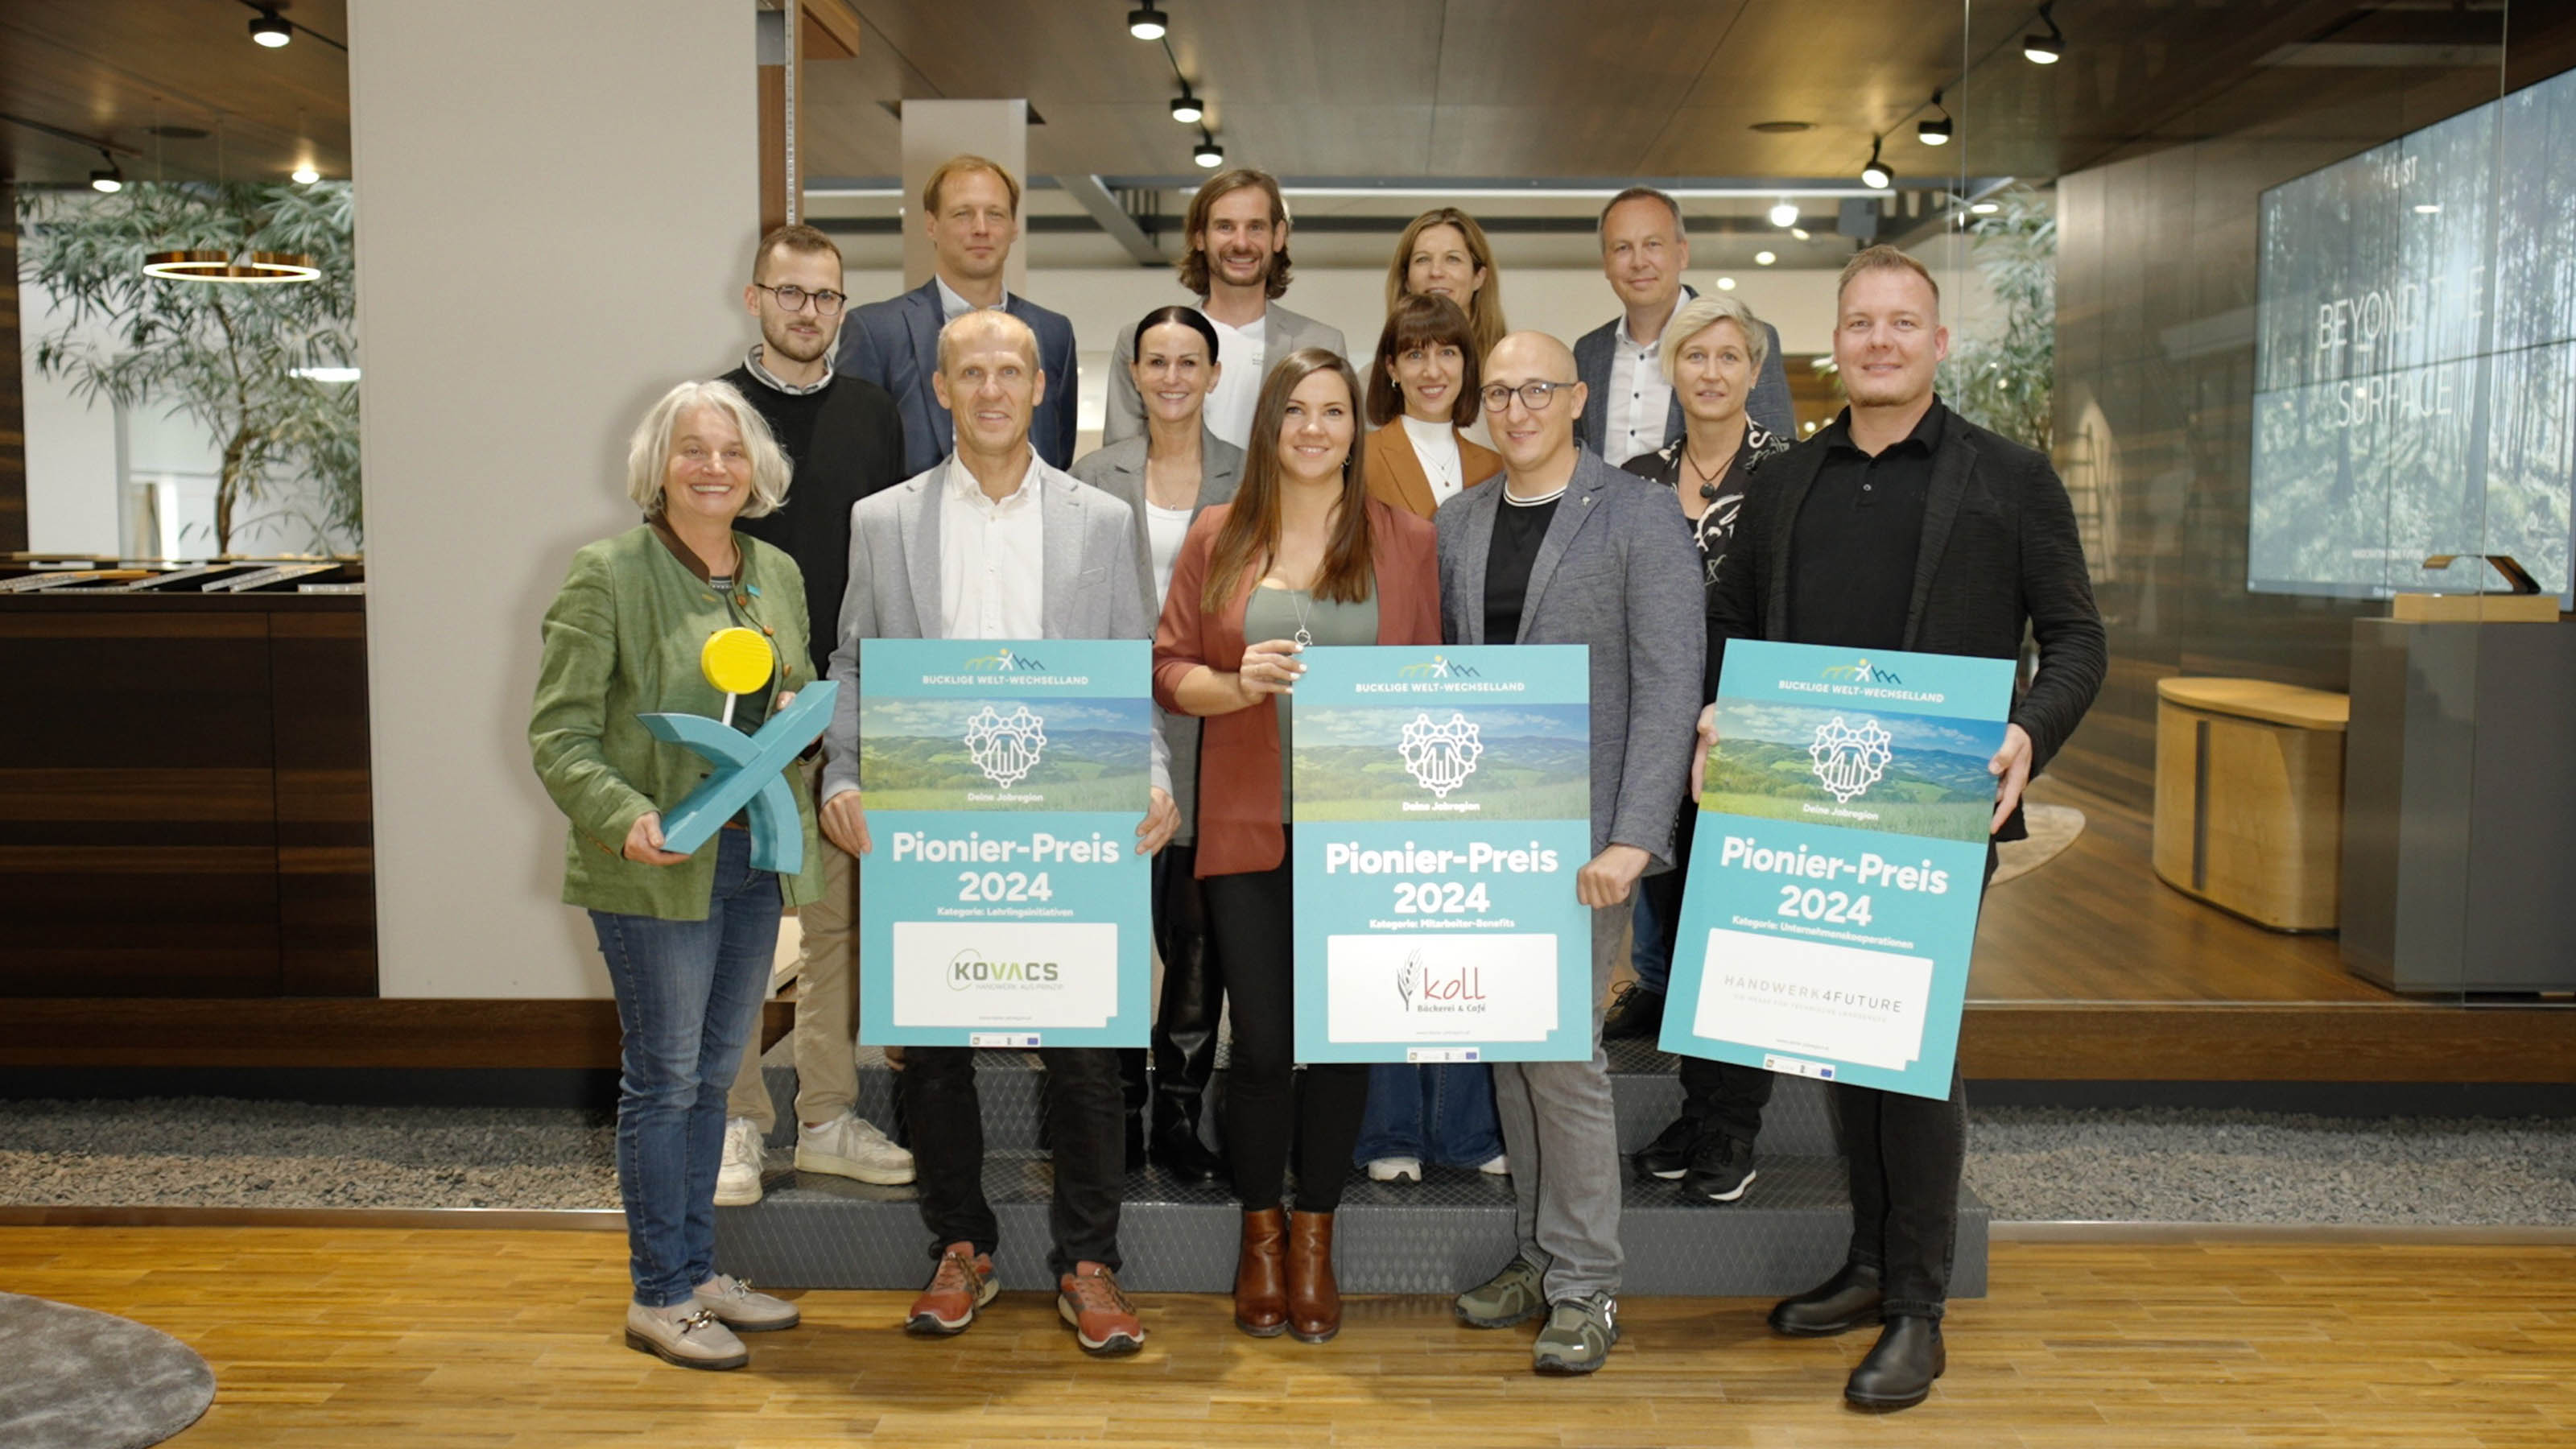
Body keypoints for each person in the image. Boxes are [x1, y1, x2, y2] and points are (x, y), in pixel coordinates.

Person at [1698, 245, 2104, 1410]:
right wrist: (1719, 708)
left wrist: (2029, 732)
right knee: (1841, 1040)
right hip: (1802, 798)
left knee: (1909, 1047)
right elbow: (1728, 623)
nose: (1879, 340)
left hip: (1934, 800)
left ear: (1937, 342)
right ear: (1836, 343)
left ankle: (1918, 1309)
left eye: (1901, 322)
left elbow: (2077, 639)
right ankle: (1872, 1263)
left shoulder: (2009, 478)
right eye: (1860, 322)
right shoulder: (1785, 482)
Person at [819, 310, 1181, 1358]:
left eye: (1009, 372)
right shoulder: (882, 521)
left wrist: (1154, 774)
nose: (990, 389)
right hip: (930, 811)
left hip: (1066, 813)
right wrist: (844, 772)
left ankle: (1088, 1262)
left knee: (1085, 1047)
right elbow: (853, 661)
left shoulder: (1098, 520)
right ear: (940, 389)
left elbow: (1129, 662)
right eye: (969, 372)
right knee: (934, 1046)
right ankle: (960, 1246)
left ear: (1040, 387)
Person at [1153, 348, 1441, 1345]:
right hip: (1248, 823)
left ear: (1355, 428)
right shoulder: (1217, 534)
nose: (1314, 429)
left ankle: (1316, 1236)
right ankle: (1260, 1238)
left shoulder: (1405, 539)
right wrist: (1236, 685)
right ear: (1269, 425)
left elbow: (1428, 679)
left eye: (1333, 411)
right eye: (1295, 411)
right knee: (1266, 1048)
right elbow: (1168, 666)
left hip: (1364, 832)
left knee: (1345, 1044)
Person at [530, 379, 816, 1370]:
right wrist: (626, 818)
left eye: (731, 452)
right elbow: (559, 735)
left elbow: (790, 701)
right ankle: (658, 1293)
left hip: (751, 860)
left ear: (756, 470)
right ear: (658, 466)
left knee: (712, 1078)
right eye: (693, 449)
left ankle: (696, 1273)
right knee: (665, 1079)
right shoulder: (606, 573)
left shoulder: (775, 572)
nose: (713, 467)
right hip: (657, 868)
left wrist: (801, 722)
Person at [1439, 333, 1703, 1376]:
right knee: (1512, 1047)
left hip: (1590, 838)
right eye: (1499, 392)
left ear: (1578, 397)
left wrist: (1635, 837)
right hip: (1488, 833)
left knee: (1564, 1057)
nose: (1517, 407)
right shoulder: (1458, 521)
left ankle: (1587, 1284)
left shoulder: (1639, 514)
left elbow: (1671, 682)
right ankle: (1539, 1254)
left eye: (1537, 388)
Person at [712, 223, 915, 1208]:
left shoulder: (874, 412)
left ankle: (828, 1116)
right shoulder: (715, 413)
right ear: (754, 298)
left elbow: (891, 559)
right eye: (789, 293)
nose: (808, 312)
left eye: (825, 296)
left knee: (837, 929)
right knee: (745, 929)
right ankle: (738, 1124)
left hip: (847, 708)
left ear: (843, 307)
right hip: (742, 715)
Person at [1604, 293, 1792, 1206]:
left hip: (1751, 735)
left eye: (1728, 356)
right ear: (1669, 370)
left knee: (1738, 938)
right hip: (1660, 733)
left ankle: (1732, 1127)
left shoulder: (1791, 475)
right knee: (1677, 931)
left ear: (1754, 370)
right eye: (1693, 356)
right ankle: (1697, 1107)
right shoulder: (1637, 479)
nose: (1710, 372)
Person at [1069, 306, 1246, 1186]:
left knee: (1196, 930)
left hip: (1216, 721)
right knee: (1109, 923)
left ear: (1214, 374)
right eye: (1156, 362)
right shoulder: (1087, 476)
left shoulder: (1251, 475)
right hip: (1108, 721)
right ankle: (1115, 1111)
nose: (1172, 377)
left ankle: (1178, 1113)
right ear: (1134, 374)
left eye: (1188, 362)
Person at [1349, 291, 1507, 1183]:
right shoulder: (1360, 456)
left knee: (1468, 928)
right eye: (1414, 353)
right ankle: (1390, 1131)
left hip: (1484, 729)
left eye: (1447, 352)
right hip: (1385, 720)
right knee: (1389, 928)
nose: (1432, 368)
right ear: (1391, 367)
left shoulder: (1497, 458)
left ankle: (1467, 1130)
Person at [838, 155, 1081, 469]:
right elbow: (853, 458)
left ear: (1014, 227)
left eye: (995, 214)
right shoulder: (876, 333)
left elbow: (1058, 458)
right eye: (963, 214)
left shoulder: (1053, 333)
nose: (981, 228)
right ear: (931, 225)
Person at [1103, 169, 1346, 448]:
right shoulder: (1138, 341)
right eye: (1225, 227)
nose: (1241, 243)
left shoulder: (1322, 344)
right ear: (1199, 237)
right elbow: (1118, 459)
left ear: (1278, 236)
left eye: (1256, 227)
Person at [1574, 186, 1795, 464]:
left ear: (1682, 253)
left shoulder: (1746, 338)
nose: (1638, 262)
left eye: (1653, 244)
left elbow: (1779, 458)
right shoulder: (1589, 352)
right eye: (1622, 248)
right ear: (1606, 264)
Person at [1384, 206, 1508, 366]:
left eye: (1453, 259)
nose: (1436, 272)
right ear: (1405, 278)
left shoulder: (1512, 368)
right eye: (1422, 259)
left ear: (1479, 276)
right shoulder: (1373, 377)